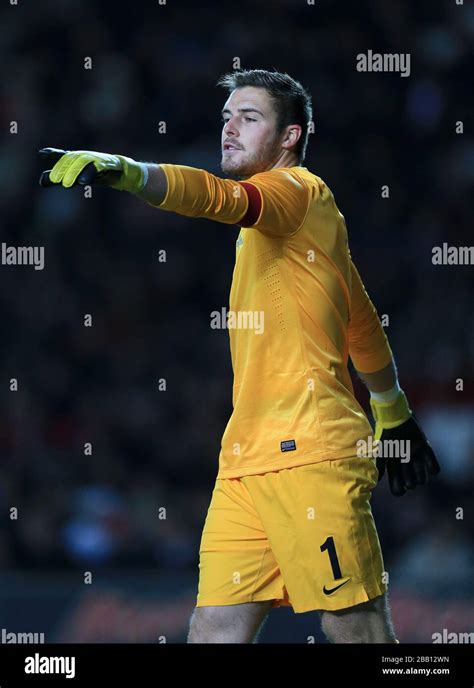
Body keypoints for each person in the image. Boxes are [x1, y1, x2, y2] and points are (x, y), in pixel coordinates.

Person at [39, 68, 440, 643]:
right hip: (245, 462)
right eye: (227, 117)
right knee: (216, 627)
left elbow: (218, 197)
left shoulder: (300, 192)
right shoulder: (306, 235)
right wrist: (393, 410)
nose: (229, 129)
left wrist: (128, 171)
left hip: (310, 451)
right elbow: (360, 321)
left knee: (351, 621)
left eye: (249, 118)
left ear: (289, 138)